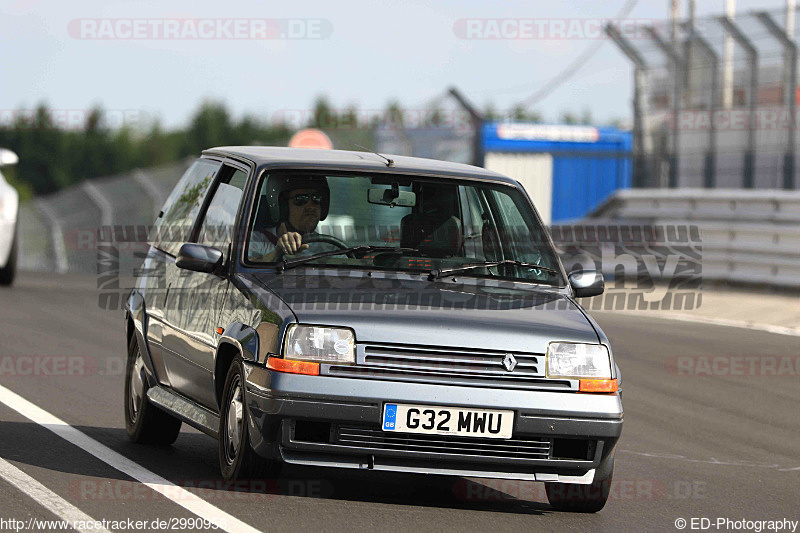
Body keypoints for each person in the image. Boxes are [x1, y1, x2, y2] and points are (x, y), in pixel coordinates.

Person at [249, 176, 329, 262]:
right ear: (283, 206)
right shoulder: (257, 240)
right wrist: (277, 252)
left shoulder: (328, 246)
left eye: (316, 198)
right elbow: (244, 269)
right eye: (301, 199)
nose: (311, 207)